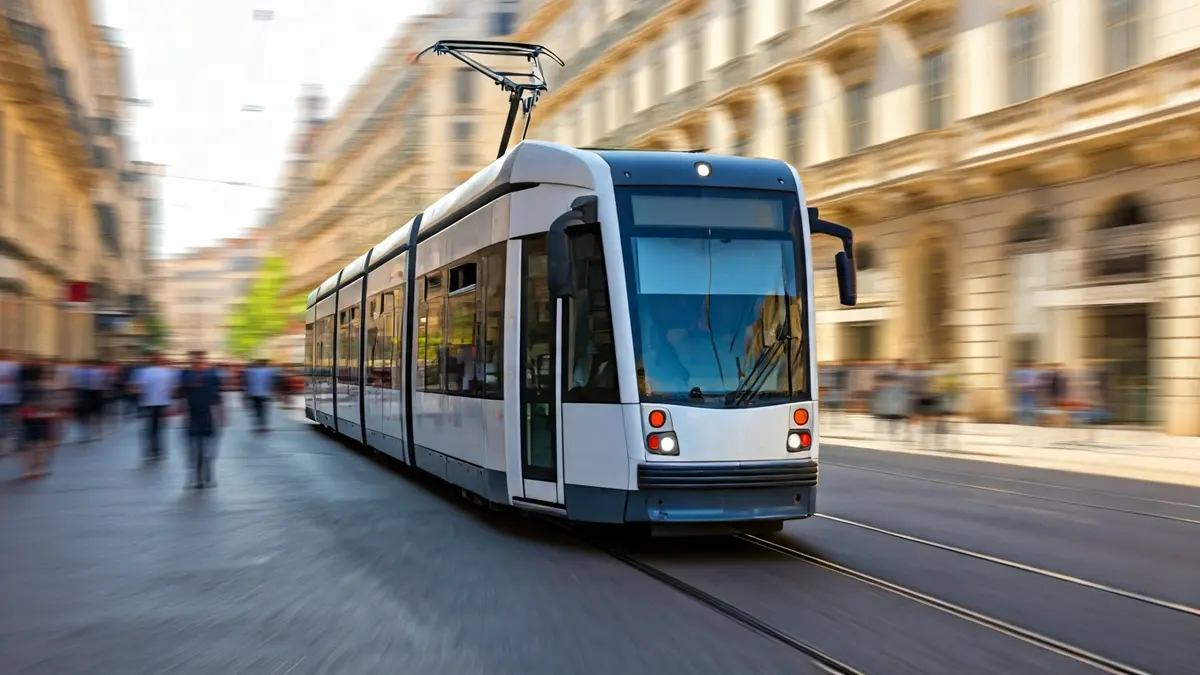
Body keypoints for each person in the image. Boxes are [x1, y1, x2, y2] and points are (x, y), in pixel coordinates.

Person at [180, 350, 224, 489]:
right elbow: (182, 395)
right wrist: (182, 414)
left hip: (208, 416)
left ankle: (208, 477)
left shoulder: (212, 376)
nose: (198, 363)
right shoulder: (186, 375)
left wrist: (221, 416)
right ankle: (196, 479)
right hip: (193, 416)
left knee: (209, 451)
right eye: (195, 360)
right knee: (194, 450)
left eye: (200, 360)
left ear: (204, 361)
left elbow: (218, 397)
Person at [132, 353, 179, 462]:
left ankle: (149, 449)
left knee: (149, 427)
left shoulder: (145, 372)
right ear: (162, 362)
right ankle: (159, 450)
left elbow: (140, 387)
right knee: (160, 428)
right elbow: (172, 389)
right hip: (162, 403)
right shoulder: (167, 372)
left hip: (148, 402)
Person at [244, 358, 277, 432]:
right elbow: (271, 382)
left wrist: (246, 392)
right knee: (264, 410)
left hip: (253, 393)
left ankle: (257, 426)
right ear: (265, 364)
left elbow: (247, 382)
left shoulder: (250, 371)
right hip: (265, 394)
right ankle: (263, 426)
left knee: (256, 410)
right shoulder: (269, 371)